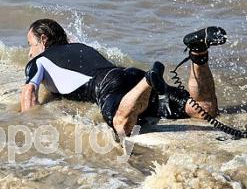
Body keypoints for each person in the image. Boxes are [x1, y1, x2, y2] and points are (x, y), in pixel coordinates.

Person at [19, 19, 227, 138]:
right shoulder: (81, 47)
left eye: (30, 44)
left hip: (107, 85)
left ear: (43, 40)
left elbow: (29, 92)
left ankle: (148, 81)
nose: (29, 52)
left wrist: (30, 126)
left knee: (122, 127)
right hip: (128, 73)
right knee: (204, 108)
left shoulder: (40, 60)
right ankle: (198, 54)